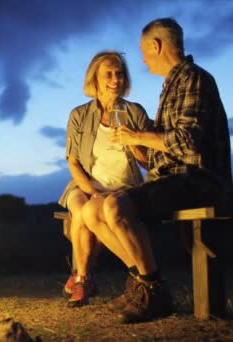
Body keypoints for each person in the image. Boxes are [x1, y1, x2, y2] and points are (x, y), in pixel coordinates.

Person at [81, 17, 231, 323]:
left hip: (196, 179)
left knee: (115, 204)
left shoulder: (194, 79)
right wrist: (139, 148)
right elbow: (161, 151)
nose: (143, 58)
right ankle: (140, 283)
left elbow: (187, 142)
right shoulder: (172, 85)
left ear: (156, 45)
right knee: (92, 211)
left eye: (143, 50)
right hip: (171, 178)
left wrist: (137, 136)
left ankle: (154, 292)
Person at [58, 50, 152, 307]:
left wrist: (135, 142)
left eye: (119, 73)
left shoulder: (134, 112)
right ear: (95, 80)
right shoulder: (79, 115)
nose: (115, 79)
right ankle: (83, 280)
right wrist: (94, 191)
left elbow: (148, 162)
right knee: (80, 206)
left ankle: (80, 277)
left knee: (89, 213)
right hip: (86, 183)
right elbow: (74, 162)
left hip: (123, 186)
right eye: (108, 74)